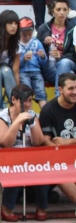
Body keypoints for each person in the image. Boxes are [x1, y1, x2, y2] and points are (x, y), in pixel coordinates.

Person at [0, 84, 48, 221]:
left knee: (44, 168)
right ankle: (7, 206)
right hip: (3, 159)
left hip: (27, 158)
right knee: (17, 166)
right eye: (24, 101)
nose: (27, 105)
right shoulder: (1, 118)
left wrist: (32, 123)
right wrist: (17, 122)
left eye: (30, 101)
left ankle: (42, 207)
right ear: (14, 100)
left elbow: (38, 142)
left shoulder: (33, 115)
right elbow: (5, 143)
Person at [40, 72, 76, 203]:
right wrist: (58, 148)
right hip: (59, 159)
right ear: (60, 89)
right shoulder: (48, 110)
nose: (75, 92)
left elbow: (66, 143)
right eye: (71, 88)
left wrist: (69, 142)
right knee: (60, 172)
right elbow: (45, 141)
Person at [37, 0, 76, 92]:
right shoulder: (44, 28)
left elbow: (73, 54)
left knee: (64, 63)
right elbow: (36, 50)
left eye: (65, 9)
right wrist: (44, 43)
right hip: (49, 66)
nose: (62, 12)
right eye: (58, 9)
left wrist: (60, 57)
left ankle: (58, 96)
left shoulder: (73, 29)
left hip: (67, 63)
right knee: (70, 75)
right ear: (52, 11)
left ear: (68, 11)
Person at [18, 16, 48, 108]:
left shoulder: (36, 42)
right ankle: (29, 115)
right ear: (19, 33)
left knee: (41, 92)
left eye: (30, 34)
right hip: (22, 72)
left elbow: (44, 63)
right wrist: (23, 59)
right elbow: (12, 63)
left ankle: (45, 115)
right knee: (27, 93)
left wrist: (43, 56)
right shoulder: (15, 44)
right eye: (24, 34)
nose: (27, 36)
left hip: (36, 71)